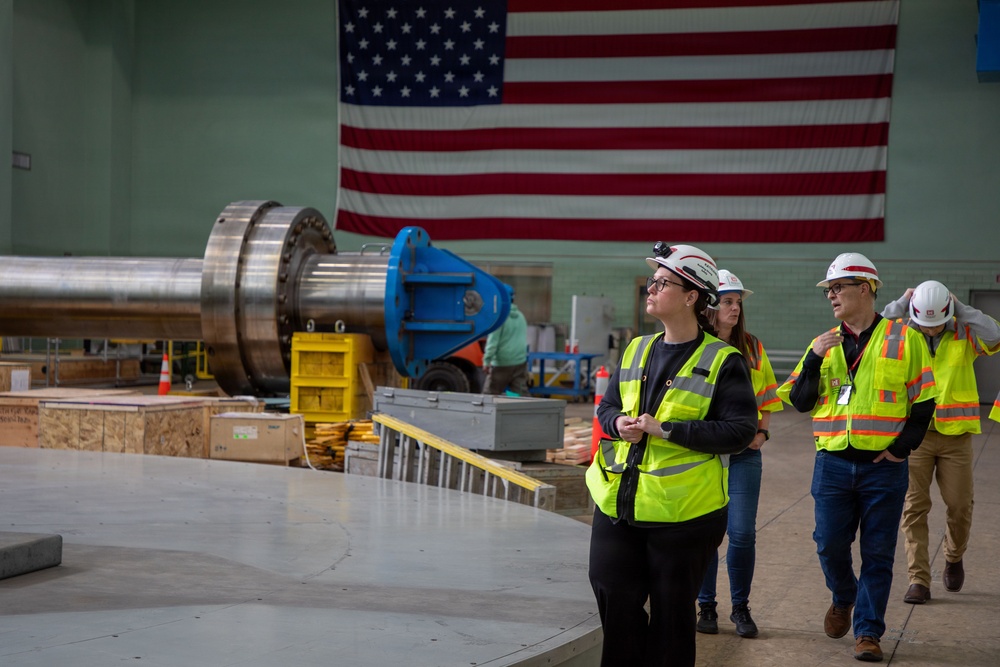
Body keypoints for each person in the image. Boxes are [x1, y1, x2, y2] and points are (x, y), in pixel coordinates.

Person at [587, 243, 758, 667]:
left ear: (691, 296)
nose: (651, 289)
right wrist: (617, 425)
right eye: (652, 281)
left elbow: (740, 431)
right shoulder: (636, 349)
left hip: (684, 517)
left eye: (662, 283)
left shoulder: (723, 361)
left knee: (671, 620)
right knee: (614, 600)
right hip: (617, 504)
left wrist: (667, 430)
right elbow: (606, 408)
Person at [776, 252, 937, 663]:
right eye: (829, 290)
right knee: (829, 545)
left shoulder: (906, 339)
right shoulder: (823, 343)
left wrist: (901, 449)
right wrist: (813, 358)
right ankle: (844, 595)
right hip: (832, 465)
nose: (831, 296)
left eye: (837, 288)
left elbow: (924, 404)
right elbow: (799, 401)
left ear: (864, 289)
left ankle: (868, 631)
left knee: (879, 554)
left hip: (883, 469)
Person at [880, 281, 1000, 604]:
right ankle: (918, 579)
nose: (931, 331)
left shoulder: (963, 331)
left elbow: (995, 335)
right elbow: (873, 335)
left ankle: (953, 555)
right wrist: (900, 304)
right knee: (914, 507)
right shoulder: (904, 333)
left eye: (937, 325)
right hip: (914, 435)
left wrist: (962, 310)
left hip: (956, 436)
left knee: (960, 505)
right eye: (925, 324)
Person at [696, 270, 783, 639]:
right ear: (711, 305)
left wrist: (761, 433)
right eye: (728, 301)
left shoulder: (752, 346)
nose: (734, 308)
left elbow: (766, 397)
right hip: (706, 455)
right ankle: (707, 606)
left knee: (743, 533)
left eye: (738, 302)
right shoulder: (696, 345)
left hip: (746, 455)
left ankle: (740, 607)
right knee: (706, 535)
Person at [482, 284, 529, 395]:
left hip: (502, 364)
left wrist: (486, 361)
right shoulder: (521, 316)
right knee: (522, 396)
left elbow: (493, 343)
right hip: (520, 362)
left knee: (489, 396)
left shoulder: (499, 318)